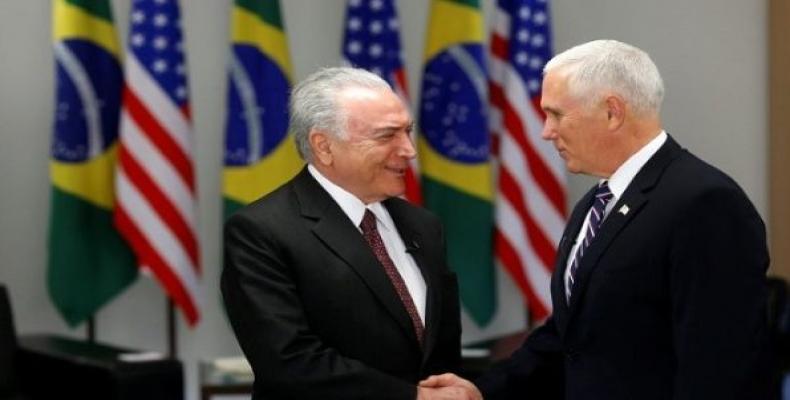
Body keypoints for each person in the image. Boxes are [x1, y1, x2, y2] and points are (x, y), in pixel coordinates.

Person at [420, 39, 770, 399]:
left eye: (556, 114)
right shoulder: (597, 202)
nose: (546, 131)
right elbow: (570, 336)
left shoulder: (705, 202)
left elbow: (721, 364)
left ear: (612, 112)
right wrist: (481, 390)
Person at [222, 67, 469, 400]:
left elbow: (439, 347)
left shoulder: (424, 226)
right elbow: (288, 363)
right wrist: (414, 398)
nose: (409, 150)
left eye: (407, 131)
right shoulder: (261, 231)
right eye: (387, 136)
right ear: (324, 147)